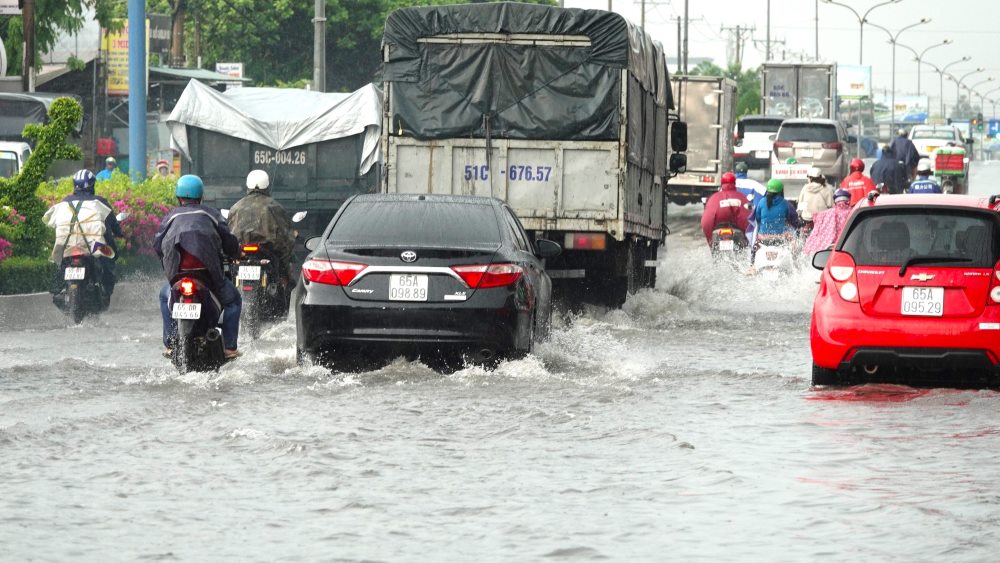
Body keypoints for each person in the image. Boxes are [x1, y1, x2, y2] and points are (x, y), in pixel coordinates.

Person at [154, 174, 242, 359]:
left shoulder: (170, 217)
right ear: (201, 196)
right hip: (208, 276)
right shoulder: (211, 214)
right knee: (233, 301)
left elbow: (158, 245)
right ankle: (230, 347)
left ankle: (170, 344)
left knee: (163, 297)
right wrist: (235, 254)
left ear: (179, 197)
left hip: (177, 278)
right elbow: (229, 242)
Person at [43, 169, 125, 304]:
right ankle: (106, 293)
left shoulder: (64, 202)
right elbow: (112, 223)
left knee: (59, 265)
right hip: (94, 245)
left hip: (67, 245)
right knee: (111, 257)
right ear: (92, 185)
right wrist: (119, 233)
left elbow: (51, 223)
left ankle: (59, 290)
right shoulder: (99, 202)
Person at [227, 169, 297, 282]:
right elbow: (285, 238)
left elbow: (228, 234)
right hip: (267, 253)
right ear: (267, 186)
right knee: (287, 280)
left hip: (240, 252)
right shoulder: (275, 207)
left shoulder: (236, 207)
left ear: (247, 185)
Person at [751, 178, 800, 264]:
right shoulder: (785, 203)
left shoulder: (761, 202)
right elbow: (793, 220)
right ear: (781, 191)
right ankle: (795, 263)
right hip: (780, 238)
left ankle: (751, 263)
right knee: (794, 240)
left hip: (763, 238)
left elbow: (757, 218)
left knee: (754, 235)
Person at [700, 171, 751, 245]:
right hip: (737, 232)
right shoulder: (741, 197)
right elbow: (747, 217)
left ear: (722, 183)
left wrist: (710, 240)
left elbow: (706, 221)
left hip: (718, 230)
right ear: (734, 183)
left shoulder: (713, 198)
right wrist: (747, 240)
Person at [803, 188, 854, 256]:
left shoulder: (825, 214)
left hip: (828, 249)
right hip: (849, 248)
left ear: (835, 200)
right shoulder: (853, 212)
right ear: (848, 199)